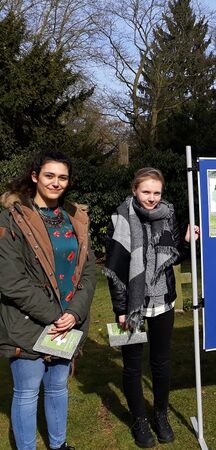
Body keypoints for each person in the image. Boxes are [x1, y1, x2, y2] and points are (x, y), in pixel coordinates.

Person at [0, 151, 96, 449]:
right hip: (28, 320)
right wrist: (55, 315)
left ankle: (59, 444)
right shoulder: (11, 219)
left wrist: (74, 313)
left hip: (68, 321)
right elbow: (9, 280)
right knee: (27, 392)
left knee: (57, 388)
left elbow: (89, 271)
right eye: (50, 175)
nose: (56, 182)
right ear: (35, 176)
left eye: (62, 177)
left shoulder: (75, 218)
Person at [103, 167, 198, 448]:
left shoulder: (168, 215)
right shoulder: (120, 219)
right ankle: (140, 420)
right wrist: (121, 308)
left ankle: (160, 416)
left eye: (156, 192)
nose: (152, 198)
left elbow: (175, 256)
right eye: (146, 191)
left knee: (161, 363)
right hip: (133, 305)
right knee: (133, 366)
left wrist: (188, 242)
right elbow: (116, 268)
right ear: (135, 190)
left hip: (163, 302)